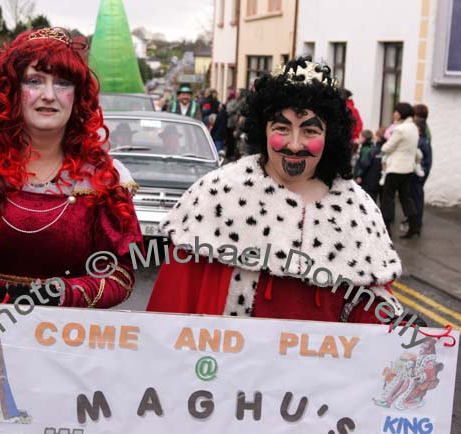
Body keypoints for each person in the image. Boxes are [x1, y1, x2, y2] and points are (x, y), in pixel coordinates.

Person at [0, 27, 143, 433]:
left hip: (63, 351)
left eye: (62, 82)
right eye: (34, 81)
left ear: (78, 96)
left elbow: (119, 274)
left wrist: (63, 294)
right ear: (11, 92)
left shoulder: (103, 180)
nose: (48, 95)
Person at [147, 57, 403, 324]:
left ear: (330, 136)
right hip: (229, 363)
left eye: (310, 130)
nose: (294, 144)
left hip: (321, 364)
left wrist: (394, 328)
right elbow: (172, 307)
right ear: (263, 130)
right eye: (282, 128)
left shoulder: (356, 208)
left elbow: (368, 307)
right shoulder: (220, 192)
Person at [380, 102, 419, 238]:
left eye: (396, 111)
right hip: (408, 168)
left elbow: (386, 148)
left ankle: (387, 228)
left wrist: (385, 144)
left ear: (401, 113)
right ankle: (414, 226)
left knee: (388, 198)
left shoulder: (400, 129)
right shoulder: (413, 127)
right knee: (406, 197)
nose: (394, 113)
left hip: (395, 168)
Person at [354, 129, 382, 201]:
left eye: (360, 137)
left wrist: (358, 176)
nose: (359, 138)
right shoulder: (373, 148)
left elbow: (364, 164)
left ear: (364, 138)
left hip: (366, 181)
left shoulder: (366, 149)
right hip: (374, 181)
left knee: (364, 200)